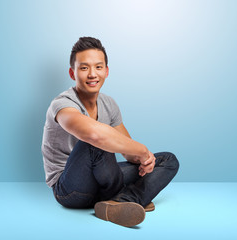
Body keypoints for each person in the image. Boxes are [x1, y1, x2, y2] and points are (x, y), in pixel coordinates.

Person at [41, 37, 179, 227]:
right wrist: (142, 149)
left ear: (106, 71)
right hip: (69, 189)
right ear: (73, 73)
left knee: (167, 160)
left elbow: (128, 150)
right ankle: (131, 196)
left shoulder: (109, 104)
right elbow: (94, 135)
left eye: (98, 67)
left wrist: (144, 159)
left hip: (102, 181)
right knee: (94, 142)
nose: (92, 74)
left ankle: (119, 202)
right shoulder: (62, 104)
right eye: (84, 68)